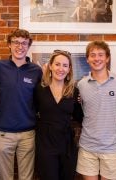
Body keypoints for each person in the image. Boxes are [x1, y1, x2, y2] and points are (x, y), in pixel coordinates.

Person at [76, 41, 116, 180]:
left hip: (112, 148)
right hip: (87, 147)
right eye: (92, 55)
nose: (97, 58)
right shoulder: (81, 85)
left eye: (101, 55)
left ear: (107, 58)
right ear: (87, 59)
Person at [0, 29, 43, 180]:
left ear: (28, 46)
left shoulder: (36, 70)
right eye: (16, 42)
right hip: (3, 133)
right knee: (5, 177)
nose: (20, 46)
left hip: (28, 134)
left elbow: (40, 99)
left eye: (24, 43)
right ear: (9, 44)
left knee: (26, 178)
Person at [35, 50, 83, 180]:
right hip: (45, 143)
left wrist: (82, 102)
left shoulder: (74, 91)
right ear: (50, 66)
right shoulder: (40, 89)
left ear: (69, 69)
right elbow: (32, 112)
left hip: (66, 144)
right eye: (57, 64)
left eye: (65, 65)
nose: (60, 69)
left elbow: (80, 118)